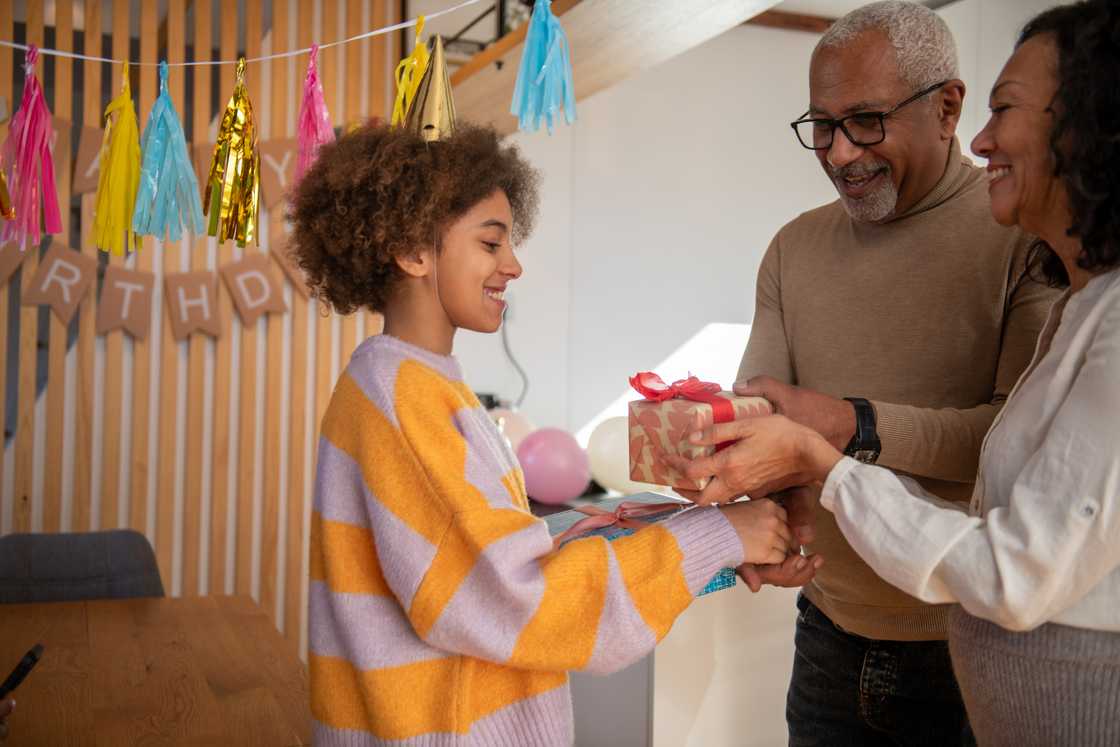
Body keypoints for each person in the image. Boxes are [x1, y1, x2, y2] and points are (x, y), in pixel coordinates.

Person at [674, 1, 1120, 744]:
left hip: (956, 650)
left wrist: (840, 429)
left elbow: (1009, 445)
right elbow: (768, 421)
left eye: (867, 121)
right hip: (828, 633)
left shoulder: (1025, 236)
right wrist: (725, 467)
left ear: (948, 108)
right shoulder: (793, 249)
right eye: (822, 125)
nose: (842, 152)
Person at [291, 122, 795, 746]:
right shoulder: (405, 400)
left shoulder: (405, 385)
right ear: (413, 250)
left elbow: (476, 559)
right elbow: (514, 599)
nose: (514, 265)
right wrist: (716, 537)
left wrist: (674, 540)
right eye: (491, 242)